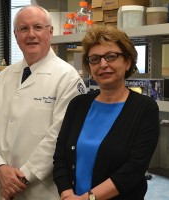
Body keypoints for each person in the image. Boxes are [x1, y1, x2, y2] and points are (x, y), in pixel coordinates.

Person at [0, 5, 86, 200]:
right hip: (0, 181)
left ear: (50, 32)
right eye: (24, 29)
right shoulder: (4, 76)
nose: (31, 34)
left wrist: (22, 177)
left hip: (39, 188)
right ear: (15, 35)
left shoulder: (68, 78)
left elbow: (59, 137)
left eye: (38, 27)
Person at [53, 25, 159, 200]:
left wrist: (88, 199)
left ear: (128, 61)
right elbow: (60, 157)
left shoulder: (144, 108)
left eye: (111, 56)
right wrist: (66, 193)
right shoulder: (78, 105)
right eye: (94, 59)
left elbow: (134, 168)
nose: (103, 64)